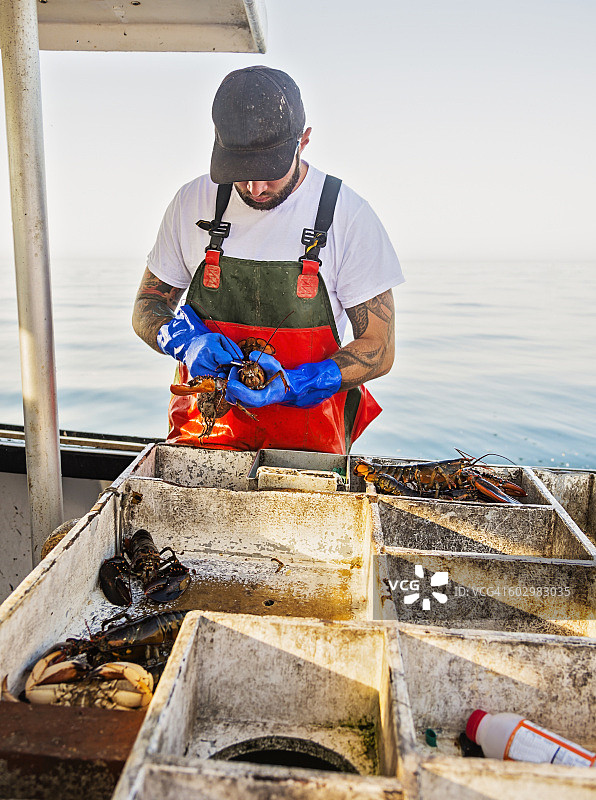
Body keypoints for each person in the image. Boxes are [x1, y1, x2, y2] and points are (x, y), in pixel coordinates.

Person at [133, 66, 404, 454]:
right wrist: (185, 342)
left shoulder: (348, 215)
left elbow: (380, 347)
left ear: (304, 141)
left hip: (307, 443)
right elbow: (147, 306)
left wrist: (301, 382)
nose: (256, 188)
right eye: (241, 173)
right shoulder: (190, 203)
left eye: (269, 172)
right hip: (205, 434)